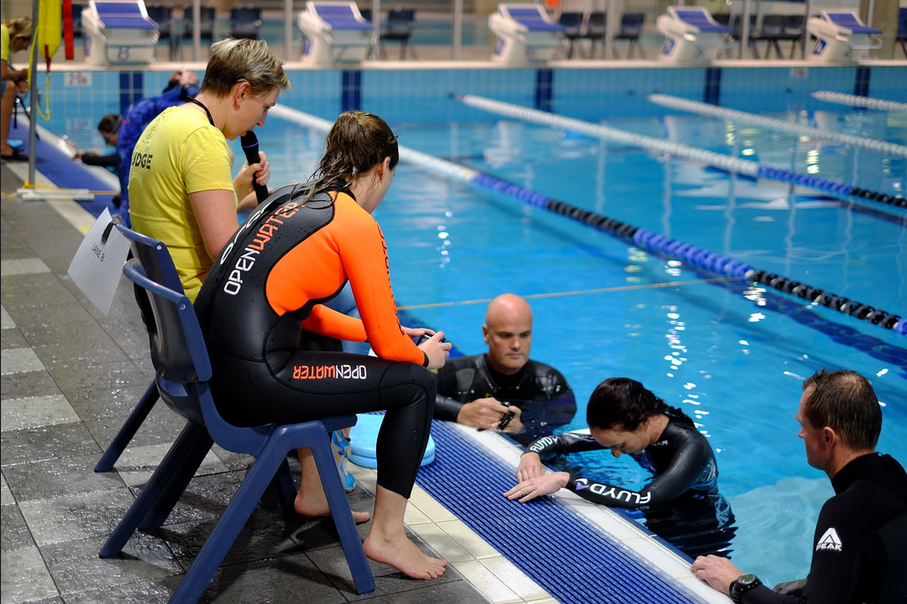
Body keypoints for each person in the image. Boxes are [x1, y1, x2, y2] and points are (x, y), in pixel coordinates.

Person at [193, 110, 452, 580]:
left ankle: (315, 491)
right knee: (417, 385)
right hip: (247, 384)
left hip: (205, 367)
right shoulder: (355, 223)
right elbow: (390, 348)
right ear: (381, 169)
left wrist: (375, 332)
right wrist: (422, 356)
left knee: (322, 336)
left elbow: (295, 309)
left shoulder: (292, 198)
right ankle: (388, 536)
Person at [692, 369, 907, 604]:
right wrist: (813, 581)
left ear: (827, 437)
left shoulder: (845, 510)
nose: (800, 433)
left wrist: (739, 583)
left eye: (804, 425)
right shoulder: (893, 474)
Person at [128, 39, 288, 302]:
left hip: (163, 298)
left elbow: (178, 218)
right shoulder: (203, 137)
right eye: (265, 108)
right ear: (242, 92)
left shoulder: (165, 121)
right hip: (202, 301)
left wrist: (237, 188)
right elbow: (225, 252)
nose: (262, 121)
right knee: (341, 298)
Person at [505, 377, 736, 558]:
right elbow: (560, 442)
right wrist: (532, 454)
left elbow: (642, 499)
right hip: (660, 509)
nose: (615, 453)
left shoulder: (692, 446)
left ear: (644, 422)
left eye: (620, 446)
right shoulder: (629, 428)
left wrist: (567, 480)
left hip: (703, 532)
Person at [432, 293, 576, 445]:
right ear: (486, 334)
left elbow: (561, 435)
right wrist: (460, 412)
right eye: (506, 336)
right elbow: (415, 393)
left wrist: (523, 430)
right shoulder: (459, 372)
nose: (516, 345)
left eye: (524, 335)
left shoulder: (550, 383)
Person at [74, 71, 200, 213]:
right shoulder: (132, 119)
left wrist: (87, 158)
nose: (108, 144)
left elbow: (120, 158)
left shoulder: (130, 129)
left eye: (107, 139)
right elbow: (159, 103)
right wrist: (176, 85)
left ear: (116, 131)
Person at [1, 16, 31, 161]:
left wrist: (18, 77)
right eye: (27, 44)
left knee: (8, 83)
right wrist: (22, 74)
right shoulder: (2, 33)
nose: (26, 48)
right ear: (19, 38)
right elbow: (2, 73)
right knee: (8, 87)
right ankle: (2, 147)